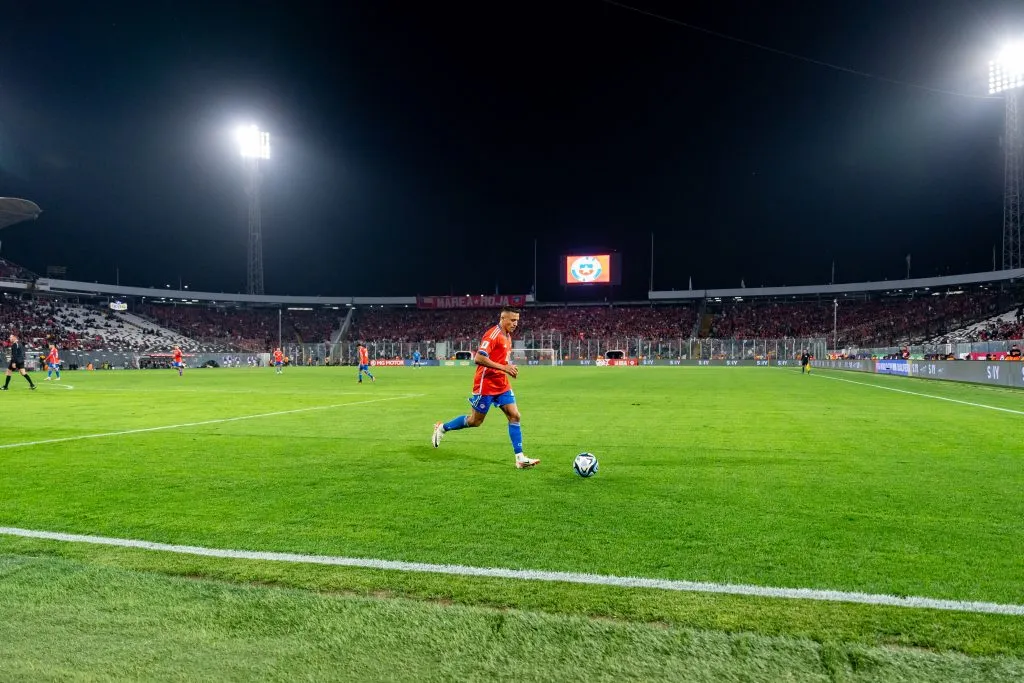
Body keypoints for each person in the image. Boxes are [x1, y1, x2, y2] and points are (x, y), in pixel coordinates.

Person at [432, 307, 539, 469]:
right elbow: (479, 357)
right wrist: (504, 368)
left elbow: (500, 359)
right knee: (475, 421)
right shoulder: (493, 334)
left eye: (517, 320)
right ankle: (442, 427)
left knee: (515, 416)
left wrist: (508, 366)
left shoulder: (507, 336)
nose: (515, 323)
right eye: (512, 320)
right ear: (502, 318)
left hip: (502, 384)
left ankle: (520, 458)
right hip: (486, 385)